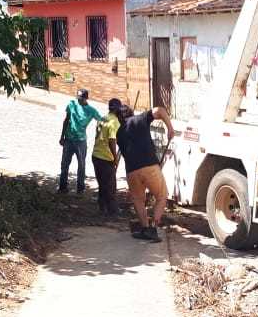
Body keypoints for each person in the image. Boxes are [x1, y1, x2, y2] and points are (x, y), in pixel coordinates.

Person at [116, 105, 175, 242]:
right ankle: (153, 229)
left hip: (132, 171)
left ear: (119, 118)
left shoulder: (119, 133)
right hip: (150, 167)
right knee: (161, 196)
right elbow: (159, 110)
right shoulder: (140, 119)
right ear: (131, 113)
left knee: (138, 200)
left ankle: (145, 229)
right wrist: (170, 128)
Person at [58, 89, 104, 194]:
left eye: (81, 98)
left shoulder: (91, 110)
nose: (78, 100)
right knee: (64, 164)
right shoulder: (71, 104)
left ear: (86, 98)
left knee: (81, 165)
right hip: (69, 139)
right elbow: (66, 120)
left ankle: (80, 188)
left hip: (81, 141)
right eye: (77, 98)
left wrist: (100, 131)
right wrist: (62, 136)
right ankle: (62, 187)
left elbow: (101, 120)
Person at [91, 98, 123, 215]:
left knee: (102, 184)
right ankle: (113, 211)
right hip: (105, 157)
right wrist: (115, 158)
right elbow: (112, 141)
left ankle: (102, 207)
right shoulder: (114, 122)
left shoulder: (102, 118)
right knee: (110, 185)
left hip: (96, 155)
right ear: (118, 109)